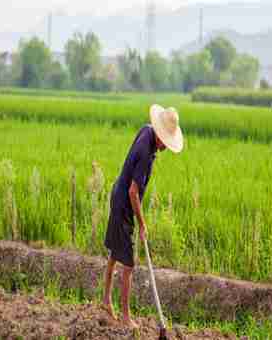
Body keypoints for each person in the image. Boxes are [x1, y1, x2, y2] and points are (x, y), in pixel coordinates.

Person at [101, 104, 184, 328]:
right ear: (160, 135)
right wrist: (142, 224)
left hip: (117, 193)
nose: (165, 147)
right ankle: (126, 318)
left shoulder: (146, 130)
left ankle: (106, 301)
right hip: (124, 205)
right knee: (128, 265)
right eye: (165, 142)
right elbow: (133, 192)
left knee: (115, 252)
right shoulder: (146, 155)